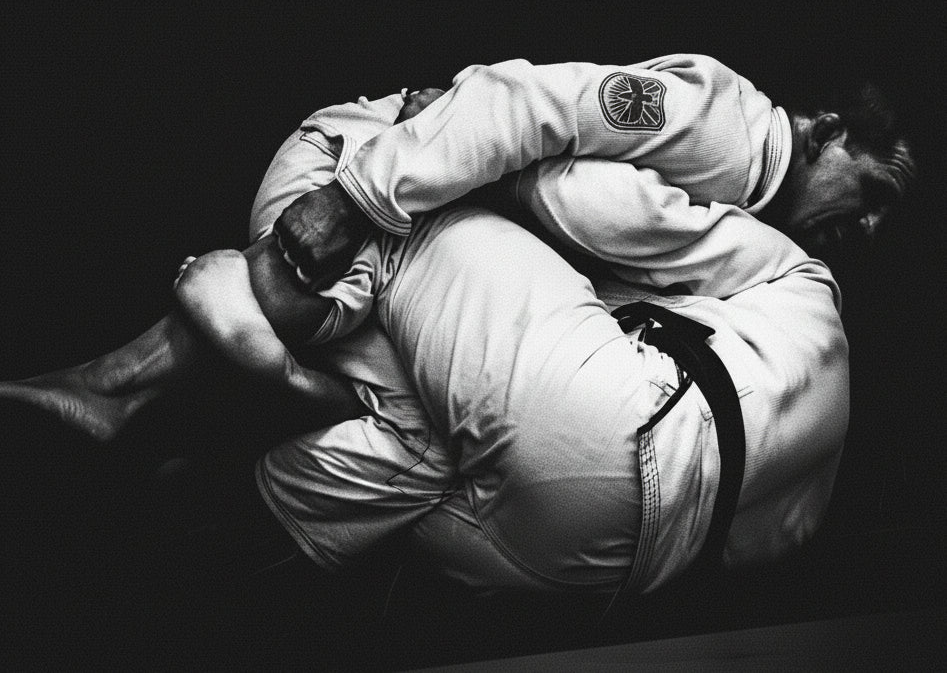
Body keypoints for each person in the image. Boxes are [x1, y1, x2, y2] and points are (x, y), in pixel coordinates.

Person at [0, 55, 914, 441]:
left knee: (436, 417)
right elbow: (528, 102)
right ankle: (112, 387)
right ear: (826, 128)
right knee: (292, 302)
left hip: (434, 243)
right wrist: (357, 194)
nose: (866, 229)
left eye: (886, 221)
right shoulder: (725, 127)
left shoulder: (753, 220)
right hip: (371, 182)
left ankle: (160, 422)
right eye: (871, 191)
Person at [174, 196, 848, 595]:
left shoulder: (802, 275)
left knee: (399, 225)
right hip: (602, 567)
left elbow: (613, 209)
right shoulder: (818, 469)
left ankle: (242, 370)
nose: (867, 223)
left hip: (608, 418)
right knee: (429, 437)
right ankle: (228, 516)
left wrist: (502, 170)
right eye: (872, 194)